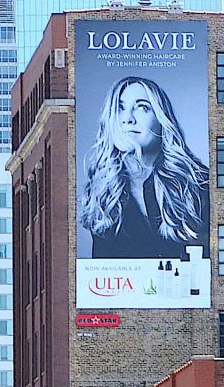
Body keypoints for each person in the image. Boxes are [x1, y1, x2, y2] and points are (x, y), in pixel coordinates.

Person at [80, 77, 210, 261]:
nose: (127, 119)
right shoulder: (102, 192)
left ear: (162, 119)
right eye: (120, 108)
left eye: (142, 107)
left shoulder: (198, 183)